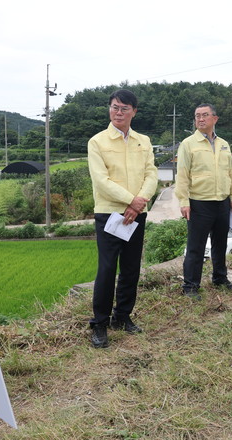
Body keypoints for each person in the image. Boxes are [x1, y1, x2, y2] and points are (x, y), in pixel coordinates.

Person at [88, 89, 158, 349]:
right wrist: (131, 200)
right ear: (110, 109)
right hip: (110, 212)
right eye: (115, 107)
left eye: (124, 108)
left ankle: (123, 316)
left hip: (137, 212)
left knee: (131, 268)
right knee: (107, 269)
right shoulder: (97, 142)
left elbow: (151, 174)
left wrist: (139, 203)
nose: (118, 112)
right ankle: (99, 323)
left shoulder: (143, 141)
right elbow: (101, 180)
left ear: (134, 112)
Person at [175, 104, 232, 299]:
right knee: (196, 246)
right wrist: (184, 201)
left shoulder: (224, 144)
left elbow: (230, 172)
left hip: (222, 202)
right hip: (199, 202)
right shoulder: (188, 144)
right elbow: (182, 174)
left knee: (220, 243)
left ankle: (220, 278)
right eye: (197, 116)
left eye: (205, 115)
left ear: (215, 118)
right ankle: (190, 286)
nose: (201, 119)